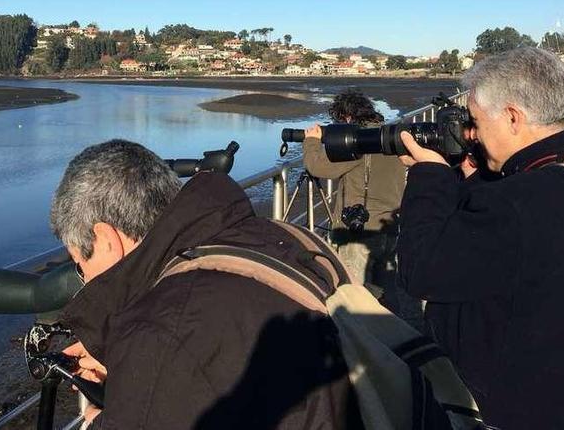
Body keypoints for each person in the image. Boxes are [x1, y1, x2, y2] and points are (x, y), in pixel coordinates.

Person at [396, 47, 564, 429]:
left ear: (512, 116)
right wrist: (474, 180)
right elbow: (525, 247)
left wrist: (429, 177)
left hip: (513, 411)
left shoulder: (520, 203)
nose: (472, 135)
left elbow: (421, 271)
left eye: (477, 121)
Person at [50, 139, 360, 429]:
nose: (85, 278)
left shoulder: (162, 335)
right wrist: (124, 361)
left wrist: (101, 419)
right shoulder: (272, 237)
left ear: (105, 240)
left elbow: (180, 356)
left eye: (81, 264)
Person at [302, 89, 414, 324]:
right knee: (387, 289)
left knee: (355, 290)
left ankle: (366, 344)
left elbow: (318, 168)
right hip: (390, 225)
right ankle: (398, 337)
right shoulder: (389, 137)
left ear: (347, 118)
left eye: (338, 121)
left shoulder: (356, 143)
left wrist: (311, 141)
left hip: (358, 231)